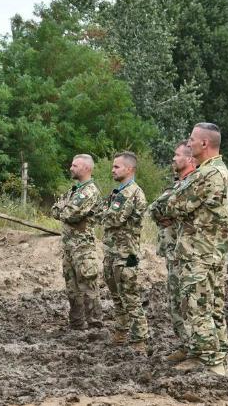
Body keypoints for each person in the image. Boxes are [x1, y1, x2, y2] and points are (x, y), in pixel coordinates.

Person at [163, 123, 228, 377]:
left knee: (198, 307)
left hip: (200, 253)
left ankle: (212, 364)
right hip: (208, 251)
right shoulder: (218, 171)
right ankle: (212, 355)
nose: (188, 143)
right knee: (211, 306)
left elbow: (174, 205)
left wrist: (169, 207)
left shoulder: (208, 175)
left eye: (192, 139)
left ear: (205, 144)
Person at [148, 141, 196, 362]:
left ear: (189, 159)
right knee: (175, 301)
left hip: (187, 253)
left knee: (189, 302)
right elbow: (155, 209)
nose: (173, 159)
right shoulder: (177, 186)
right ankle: (185, 346)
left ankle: (195, 349)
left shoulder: (193, 184)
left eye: (177, 155)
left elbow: (168, 208)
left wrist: (170, 213)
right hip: (173, 251)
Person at [101, 151, 149, 353]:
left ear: (129, 169)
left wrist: (101, 212)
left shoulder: (131, 193)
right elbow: (105, 214)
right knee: (117, 297)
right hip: (113, 252)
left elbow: (112, 219)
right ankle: (121, 332)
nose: (112, 170)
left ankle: (140, 340)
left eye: (116, 167)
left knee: (130, 297)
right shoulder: (118, 192)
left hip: (126, 255)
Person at [51, 154, 103, 330]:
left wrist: (63, 207)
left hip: (83, 248)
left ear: (86, 168)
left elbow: (68, 214)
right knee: (72, 288)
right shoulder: (74, 190)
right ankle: (76, 323)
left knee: (88, 286)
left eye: (75, 165)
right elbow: (54, 209)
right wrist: (63, 207)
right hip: (69, 248)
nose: (71, 168)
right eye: (71, 165)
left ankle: (95, 325)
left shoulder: (89, 191)